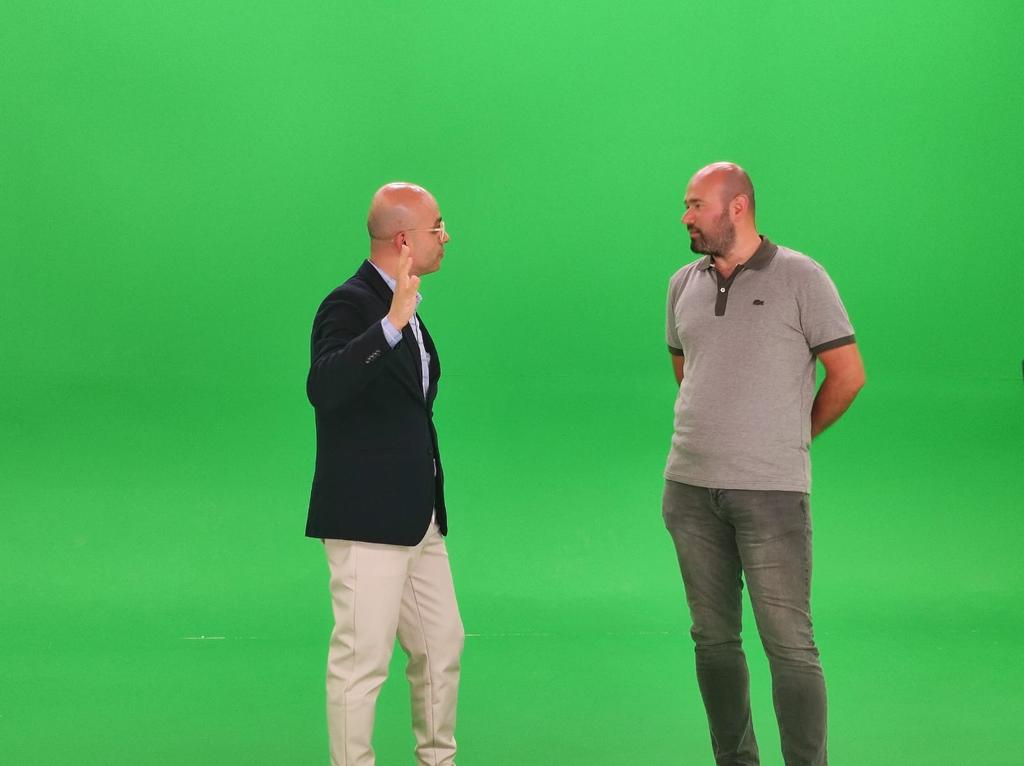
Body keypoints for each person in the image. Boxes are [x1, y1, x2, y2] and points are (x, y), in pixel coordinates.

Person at [663, 162, 865, 766]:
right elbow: (688, 372)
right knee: (713, 641)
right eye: (686, 205)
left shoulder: (803, 277)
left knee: (790, 645)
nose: (686, 216)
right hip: (689, 491)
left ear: (738, 207)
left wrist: (791, 435)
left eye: (696, 205)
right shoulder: (681, 283)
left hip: (771, 493)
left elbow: (848, 375)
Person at [305, 182, 464, 766]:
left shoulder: (407, 302)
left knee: (442, 645)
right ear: (403, 240)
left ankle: (438, 759)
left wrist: (401, 317)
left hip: (419, 515)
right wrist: (391, 324)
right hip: (366, 518)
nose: (446, 237)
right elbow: (325, 387)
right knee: (362, 661)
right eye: (437, 227)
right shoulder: (350, 304)